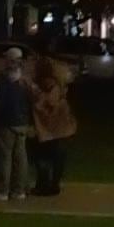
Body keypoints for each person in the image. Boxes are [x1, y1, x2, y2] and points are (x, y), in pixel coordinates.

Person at [0, 47, 34, 200]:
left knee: (4, 157)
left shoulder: (3, 79)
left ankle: (2, 190)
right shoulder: (26, 80)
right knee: (21, 157)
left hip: (6, 122)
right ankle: (19, 190)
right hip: (22, 122)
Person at [29, 56, 77, 198]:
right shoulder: (59, 86)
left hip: (47, 130)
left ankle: (44, 185)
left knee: (42, 157)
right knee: (57, 158)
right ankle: (53, 184)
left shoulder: (45, 88)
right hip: (60, 129)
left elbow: (44, 107)